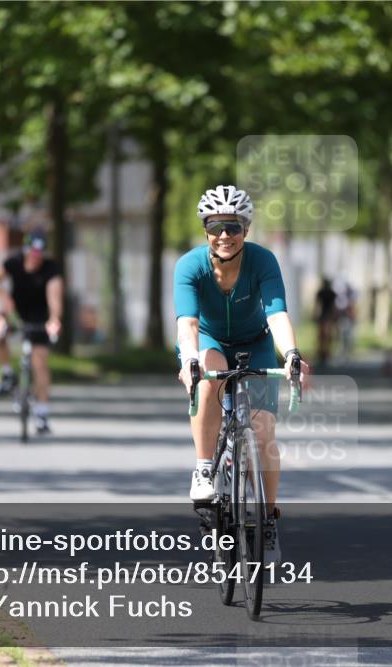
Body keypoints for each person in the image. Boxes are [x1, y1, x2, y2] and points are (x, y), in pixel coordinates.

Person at [174, 185, 309, 564]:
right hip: (208, 339)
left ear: (245, 230)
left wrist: (292, 354)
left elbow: (277, 315)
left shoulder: (263, 262)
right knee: (209, 374)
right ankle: (204, 469)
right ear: (205, 229)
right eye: (216, 226)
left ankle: (266, 520)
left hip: (257, 342)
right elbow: (187, 322)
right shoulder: (190, 266)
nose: (224, 236)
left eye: (232, 227)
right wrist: (189, 360)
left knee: (264, 431)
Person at [0, 230, 63, 434]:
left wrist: (54, 319)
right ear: (26, 250)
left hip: (39, 318)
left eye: (39, 253)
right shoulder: (14, 262)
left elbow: (54, 297)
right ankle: (7, 374)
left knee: (40, 362)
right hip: (15, 314)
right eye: (31, 252)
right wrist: (4, 297)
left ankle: (42, 414)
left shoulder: (51, 269)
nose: (35, 257)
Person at [315, 277, 338, 367]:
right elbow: (333, 306)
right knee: (326, 336)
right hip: (328, 316)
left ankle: (323, 353)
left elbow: (317, 305)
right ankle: (324, 353)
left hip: (324, 316)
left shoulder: (322, 293)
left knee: (323, 336)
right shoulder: (331, 293)